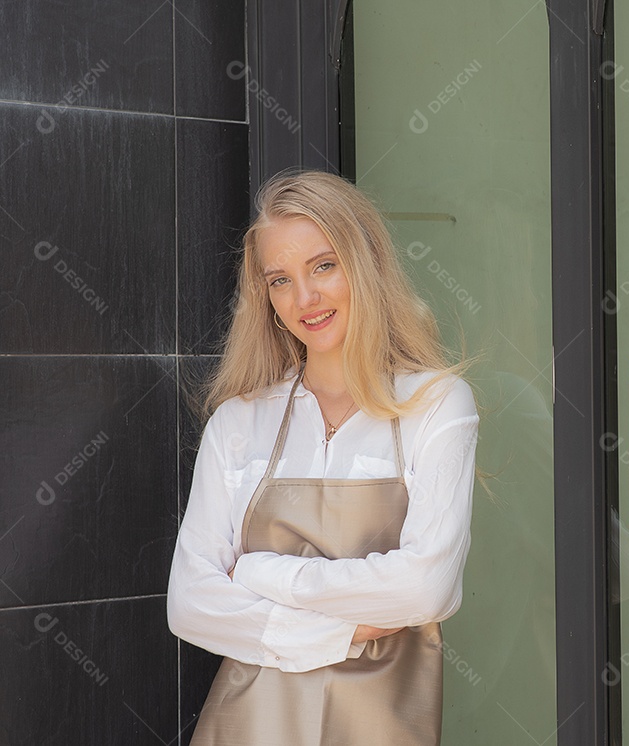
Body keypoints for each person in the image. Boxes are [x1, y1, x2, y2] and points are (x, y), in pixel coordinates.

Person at [166, 170, 479, 745]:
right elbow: (189, 604)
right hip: (247, 725)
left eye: (323, 266)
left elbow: (425, 589)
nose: (304, 299)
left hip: (382, 726)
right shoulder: (239, 422)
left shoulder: (436, 405)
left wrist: (262, 573)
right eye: (280, 280)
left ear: (366, 263)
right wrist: (348, 631)